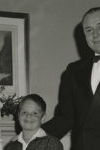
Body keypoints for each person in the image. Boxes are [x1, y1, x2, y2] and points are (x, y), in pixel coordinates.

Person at [42, 7, 100, 150]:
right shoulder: (74, 71)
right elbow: (65, 118)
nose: (96, 35)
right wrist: (32, 136)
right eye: (89, 30)